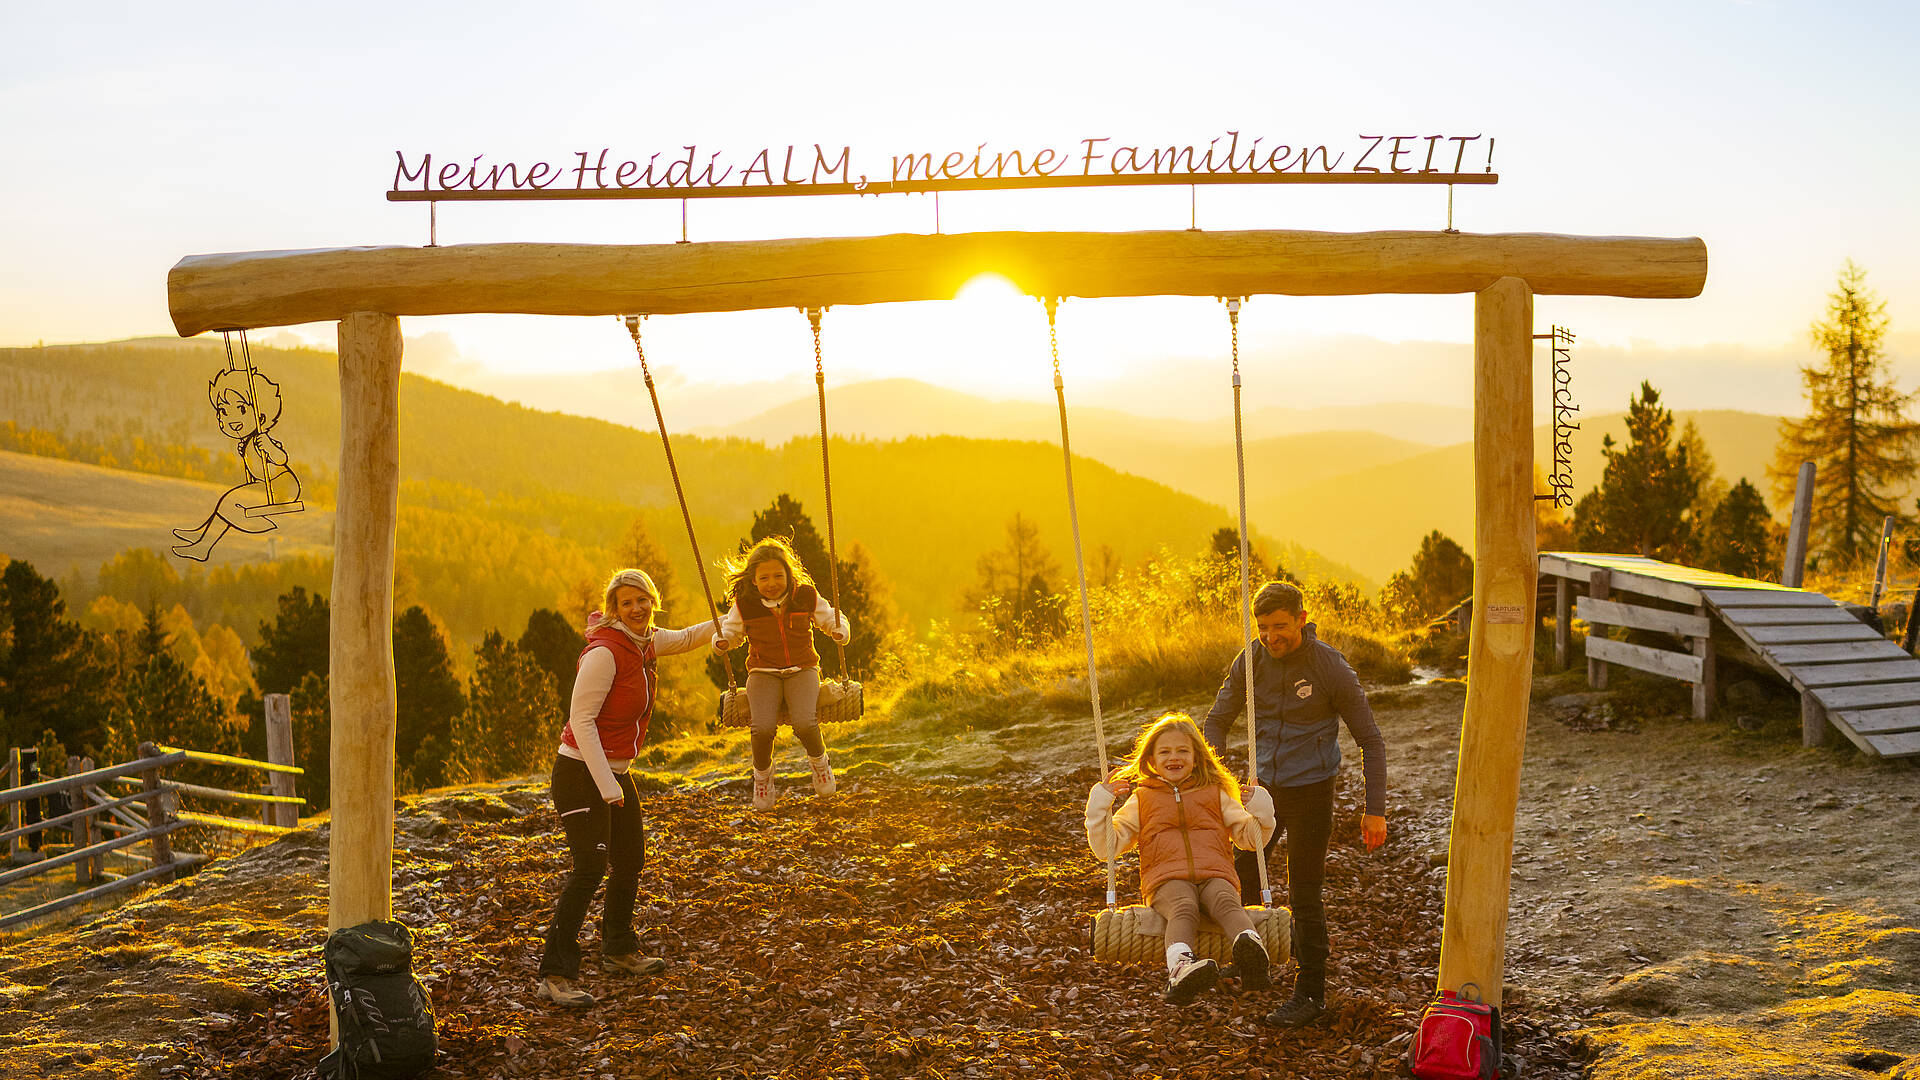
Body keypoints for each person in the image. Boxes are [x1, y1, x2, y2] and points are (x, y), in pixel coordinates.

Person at [1203, 580, 1388, 1029]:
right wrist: (1215, 779)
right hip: (1260, 792)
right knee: (1239, 875)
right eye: (1264, 628)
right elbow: (1216, 721)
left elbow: (1371, 740)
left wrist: (1375, 808)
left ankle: (1310, 992)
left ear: (1302, 619)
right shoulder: (1251, 660)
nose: (1272, 637)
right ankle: (1248, 959)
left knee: (1304, 891)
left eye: (1281, 626)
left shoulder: (1331, 668)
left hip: (1311, 792)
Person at [536, 568, 713, 1008]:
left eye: (643, 600)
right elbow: (581, 722)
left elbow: (692, 636)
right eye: (627, 602)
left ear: (653, 602)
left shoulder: (646, 641)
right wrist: (606, 786)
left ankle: (617, 949)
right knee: (589, 869)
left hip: (615, 773)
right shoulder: (605, 653)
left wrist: (741, 616)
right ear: (614, 609)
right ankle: (555, 974)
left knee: (630, 859)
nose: (637, 608)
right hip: (581, 773)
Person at [1085, 712, 1277, 1006]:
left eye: (1183, 750)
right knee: (1183, 907)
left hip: (1215, 873)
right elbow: (1106, 848)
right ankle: (1181, 968)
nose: (1174, 757)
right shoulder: (1142, 799)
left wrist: (1263, 813)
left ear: (1197, 756)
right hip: (1166, 879)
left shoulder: (1216, 792)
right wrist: (1099, 805)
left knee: (1226, 901)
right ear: (1151, 759)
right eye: (1165, 751)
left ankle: (1250, 948)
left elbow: (1251, 838)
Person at [712, 536, 850, 810]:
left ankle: (820, 764)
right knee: (762, 728)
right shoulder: (745, 604)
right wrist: (722, 641)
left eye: (778, 575)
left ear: (789, 574)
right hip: (764, 672)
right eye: (764, 578)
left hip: (803, 669)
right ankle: (762, 778)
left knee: (805, 723)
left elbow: (832, 617)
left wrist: (839, 631)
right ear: (753, 580)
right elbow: (731, 630)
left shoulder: (805, 595)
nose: (772, 583)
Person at [172, 367, 300, 561]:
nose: (231, 418)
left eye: (241, 409)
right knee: (227, 503)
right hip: (266, 486)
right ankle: (200, 538)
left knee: (229, 503)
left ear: (262, 417)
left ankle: (202, 545)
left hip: (283, 487)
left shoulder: (262, 438)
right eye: (223, 411)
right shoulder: (249, 441)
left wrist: (270, 449)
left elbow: (281, 459)